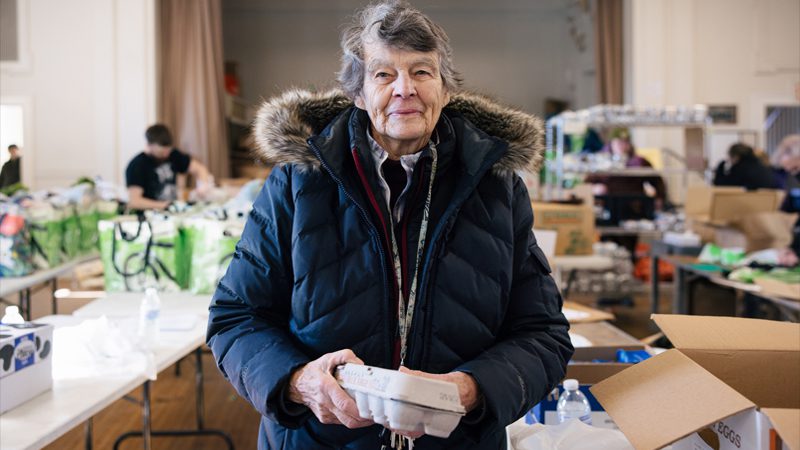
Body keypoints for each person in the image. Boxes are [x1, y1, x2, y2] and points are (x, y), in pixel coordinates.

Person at [206, 3, 573, 449]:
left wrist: (473, 390)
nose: (405, 89)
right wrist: (299, 381)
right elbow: (235, 317)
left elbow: (543, 332)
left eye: (422, 72)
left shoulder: (497, 190)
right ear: (358, 93)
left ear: (445, 88)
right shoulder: (297, 183)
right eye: (384, 74)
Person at [125, 124, 212, 210]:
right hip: (150, 213)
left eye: (168, 150)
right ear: (149, 145)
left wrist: (202, 186)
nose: (166, 154)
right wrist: (165, 205)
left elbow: (200, 169)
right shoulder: (136, 165)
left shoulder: (173, 155)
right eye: (162, 152)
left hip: (173, 209)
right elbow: (134, 201)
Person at [713, 142, 778, 191]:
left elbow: (721, 186)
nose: (729, 160)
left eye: (730, 157)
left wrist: (720, 167)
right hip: (766, 205)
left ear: (736, 157)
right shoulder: (763, 167)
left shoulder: (739, 169)